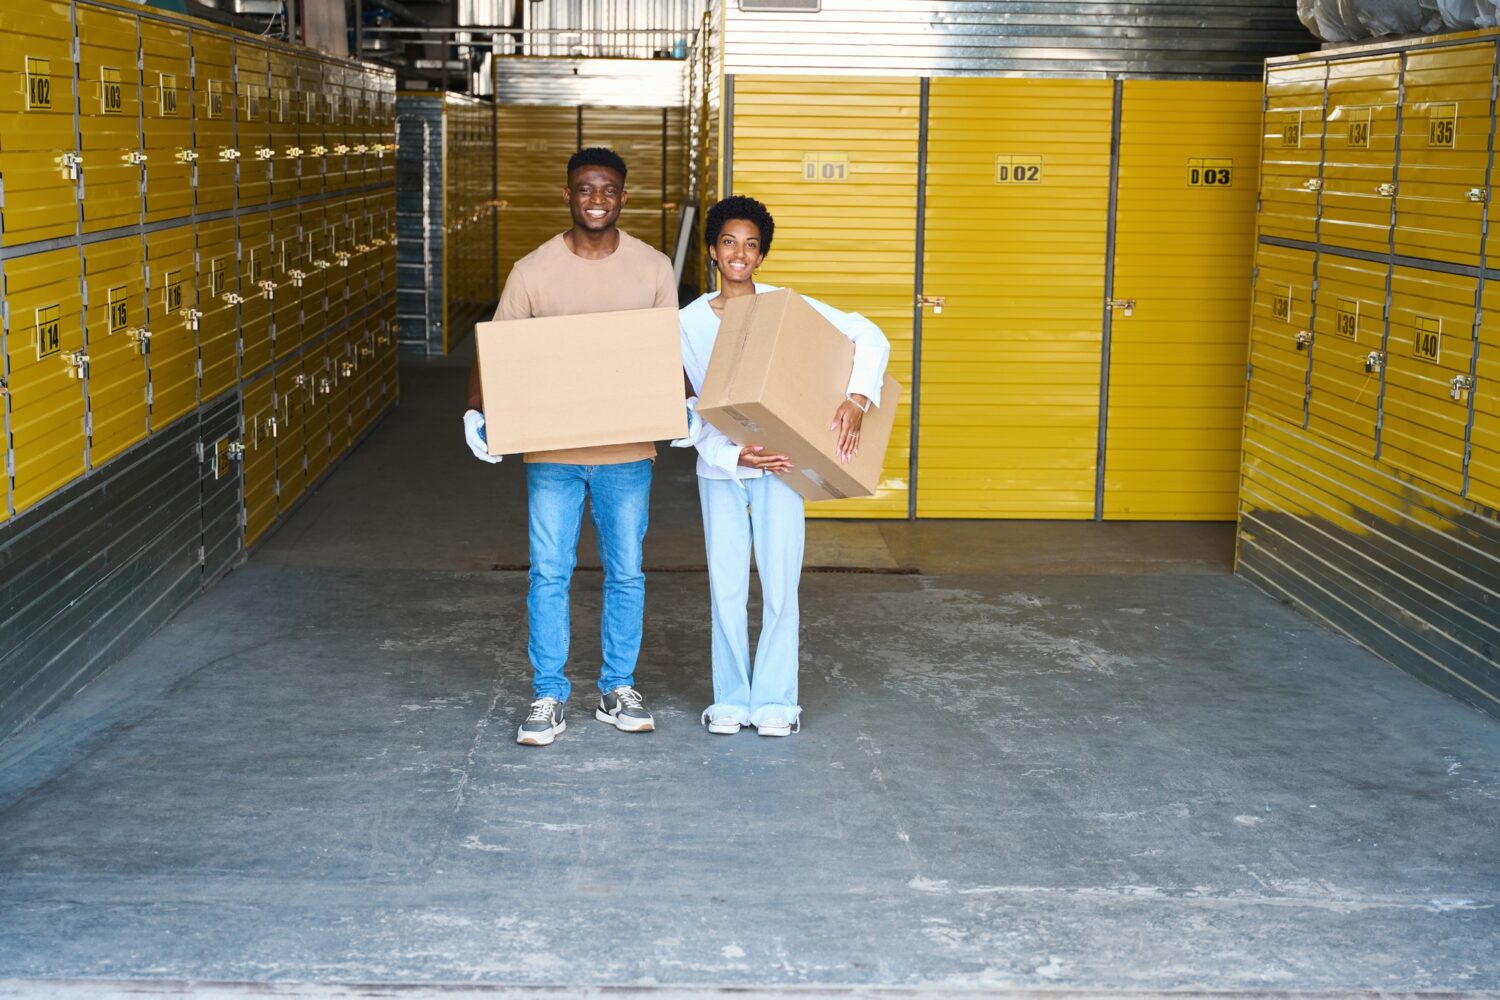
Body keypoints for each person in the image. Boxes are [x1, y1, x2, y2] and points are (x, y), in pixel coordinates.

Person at [462, 148, 678, 747]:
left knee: (627, 572)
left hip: (628, 452)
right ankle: (549, 694)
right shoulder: (533, 271)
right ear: (568, 195)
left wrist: (680, 403)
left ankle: (617, 688)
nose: (597, 200)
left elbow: (667, 350)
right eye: (586, 190)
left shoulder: (653, 267)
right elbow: (496, 349)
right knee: (549, 574)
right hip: (551, 454)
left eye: (608, 190)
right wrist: (475, 412)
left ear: (623, 197)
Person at [674, 196, 890, 736]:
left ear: (762, 255)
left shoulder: (784, 307)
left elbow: (869, 333)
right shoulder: (687, 324)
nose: (739, 254)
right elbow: (686, 412)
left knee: (779, 584)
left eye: (751, 245)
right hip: (721, 470)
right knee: (725, 587)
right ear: (711, 251)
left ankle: (775, 702)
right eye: (729, 242)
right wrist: (732, 453)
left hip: (783, 467)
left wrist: (857, 400)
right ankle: (729, 699)